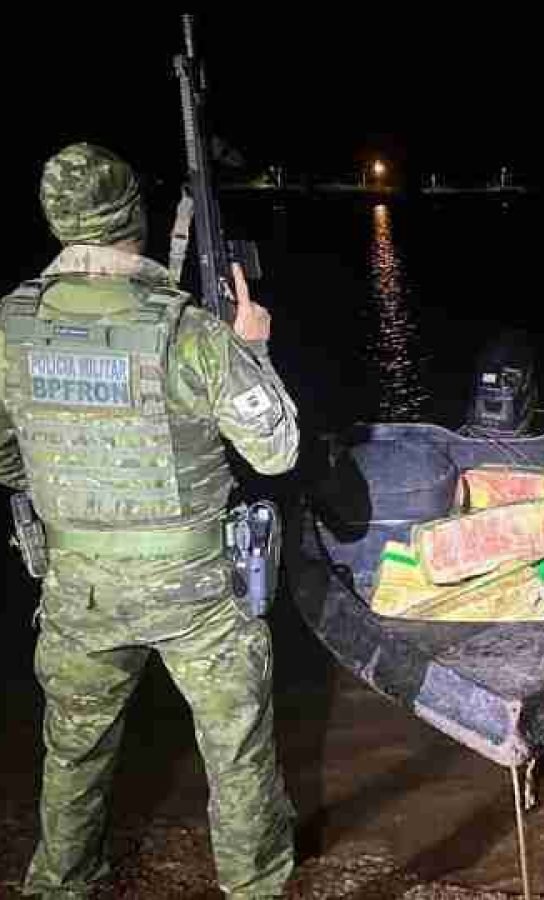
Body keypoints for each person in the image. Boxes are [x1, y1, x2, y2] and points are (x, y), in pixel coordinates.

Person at [0, 142, 299, 897]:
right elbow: (277, 450)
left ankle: (61, 883)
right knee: (237, 751)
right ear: (132, 214)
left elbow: (6, 456)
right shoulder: (187, 329)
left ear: (58, 220)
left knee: (73, 749)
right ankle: (253, 885)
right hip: (195, 592)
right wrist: (253, 348)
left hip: (77, 590)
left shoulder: (11, 325)